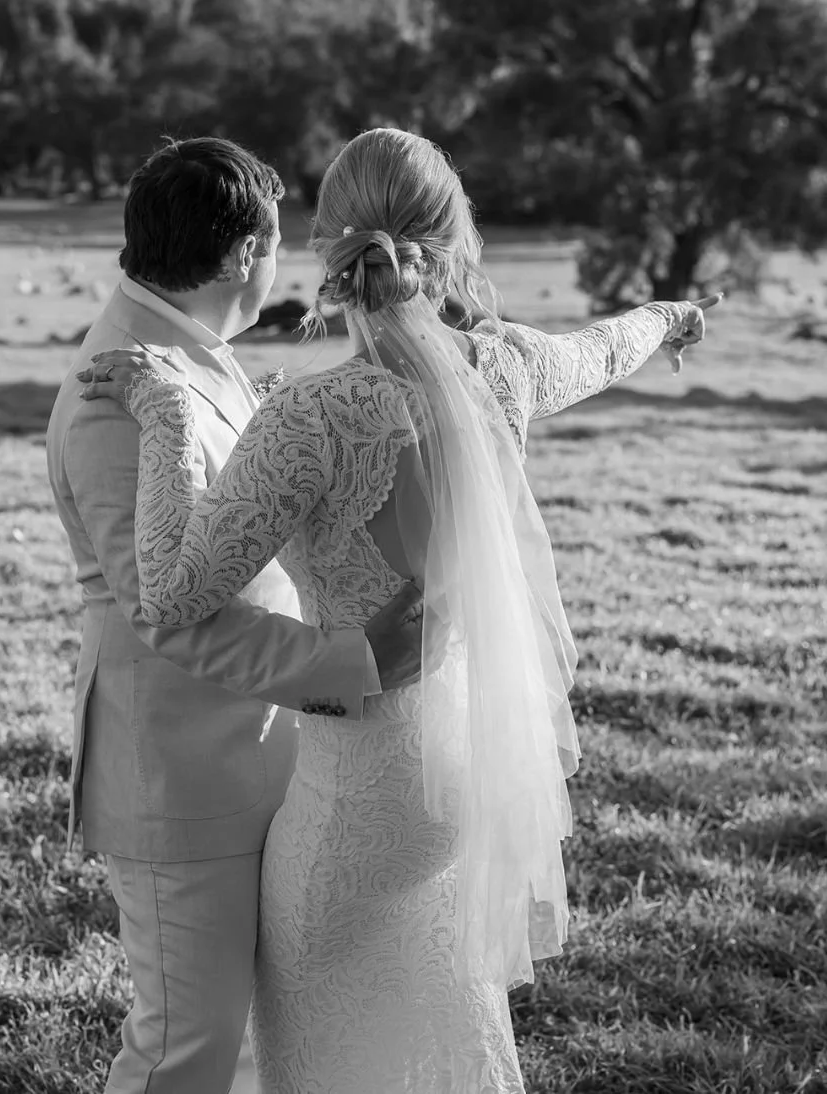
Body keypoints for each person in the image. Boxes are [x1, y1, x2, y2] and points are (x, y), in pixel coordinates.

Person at [82, 127, 722, 1094]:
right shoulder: (505, 370)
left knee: (330, 1056)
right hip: (458, 773)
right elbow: (603, 346)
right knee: (435, 1037)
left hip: (354, 799)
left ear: (328, 256)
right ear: (453, 243)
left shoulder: (308, 418)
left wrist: (169, 415)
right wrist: (672, 315)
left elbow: (172, 590)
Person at [44, 135, 424, 1094]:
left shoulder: (183, 351)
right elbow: (165, 617)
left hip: (251, 755)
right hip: (178, 776)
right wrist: (351, 660)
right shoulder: (113, 395)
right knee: (186, 1044)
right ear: (248, 254)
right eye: (281, 244)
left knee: (250, 1043)